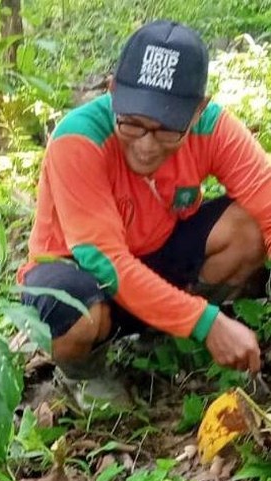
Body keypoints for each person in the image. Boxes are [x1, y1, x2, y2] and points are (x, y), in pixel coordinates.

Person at [20, 19, 271, 407]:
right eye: (132, 124)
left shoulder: (215, 128)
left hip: (155, 257)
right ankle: (82, 374)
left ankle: (162, 336)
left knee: (248, 228)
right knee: (70, 307)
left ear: (198, 110)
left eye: (168, 129)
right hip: (83, 274)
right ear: (112, 91)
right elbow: (104, 260)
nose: (147, 146)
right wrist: (206, 322)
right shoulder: (78, 139)